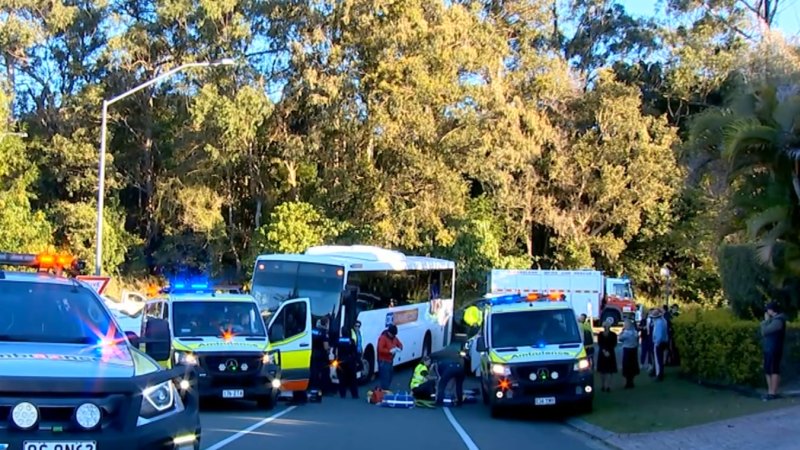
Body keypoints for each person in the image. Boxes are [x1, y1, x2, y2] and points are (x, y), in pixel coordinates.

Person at [761, 301, 787, 401]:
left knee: (774, 369)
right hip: (768, 347)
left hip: (775, 348)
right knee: (768, 369)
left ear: (772, 310)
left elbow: (765, 331)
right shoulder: (773, 320)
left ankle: (773, 392)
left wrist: (765, 321)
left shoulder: (779, 320)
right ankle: (770, 390)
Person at [335, 326, 360, 399]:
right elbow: (355, 352)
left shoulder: (338, 340)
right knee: (352, 379)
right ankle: (354, 394)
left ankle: (342, 394)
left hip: (341, 361)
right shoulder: (351, 341)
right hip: (350, 362)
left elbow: (335, 350)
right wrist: (357, 361)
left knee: (341, 379)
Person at [309, 316, 332, 395]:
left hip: (313, 353)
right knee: (325, 372)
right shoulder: (324, 333)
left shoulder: (313, 330)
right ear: (326, 323)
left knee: (314, 372)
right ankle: (325, 390)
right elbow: (325, 346)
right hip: (322, 355)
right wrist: (329, 348)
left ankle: (313, 388)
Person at [377, 325, 403, 390]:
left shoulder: (394, 338)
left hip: (390, 360)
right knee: (385, 378)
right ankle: (384, 392)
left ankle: (385, 391)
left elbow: (400, 344)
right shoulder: (383, 338)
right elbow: (380, 349)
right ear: (389, 332)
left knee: (389, 377)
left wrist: (399, 348)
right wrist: (389, 351)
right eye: (392, 334)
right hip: (383, 361)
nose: (393, 336)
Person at [596, 318, 618, 391]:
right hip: (602, 353)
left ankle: (608, 386)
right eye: (604, 325)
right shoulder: (600, 334)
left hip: (610, 353)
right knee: (602, 371)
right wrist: (604, 351)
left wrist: (608, 351)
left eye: (607, 325)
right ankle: (603, 385)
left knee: (610, 371)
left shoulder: (613, 334)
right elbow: (600, 343)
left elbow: (614, 343)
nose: (605, 327)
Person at [618, 319, 640, 388]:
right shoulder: (635, 332)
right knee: (633, 366)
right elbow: (637, 339)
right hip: (634, 350)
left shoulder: (626, 333)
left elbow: (620, 338)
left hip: (627, 350)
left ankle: (628, 382)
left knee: (627, 366)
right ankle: (631, 381)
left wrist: (622, 331)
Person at [651, 308, 669, 381]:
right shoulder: (664, 321)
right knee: (660, 359)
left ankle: (659, 374)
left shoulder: (658, 323)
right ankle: (660, 373)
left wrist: (657, 342)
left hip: (659, 342)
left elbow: (659, 334)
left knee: (658, 359)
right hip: (664, 341)